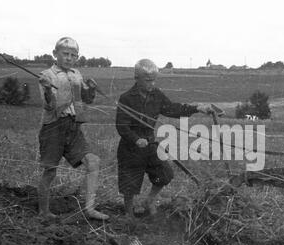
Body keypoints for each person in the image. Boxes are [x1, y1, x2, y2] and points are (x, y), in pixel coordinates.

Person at [116, 59, 213, 220]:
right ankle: (129, 213)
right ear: (137, 78)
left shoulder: (157, 95)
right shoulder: (126, 98)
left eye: (154, 80)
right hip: (130, 148)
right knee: (130, 184)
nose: (152, 84)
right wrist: (135, 139)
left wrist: (196, 108)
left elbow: (173, 109)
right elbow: (122, 126)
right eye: (148, 80)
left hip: (150, 144)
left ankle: (150, 201)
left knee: (165, 173)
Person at [37, 37, 109, 220]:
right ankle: (43, 212)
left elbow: (86, 100)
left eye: (73, 55)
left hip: (73, 127)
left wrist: (90, 89)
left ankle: (89, 209)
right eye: (65, 54)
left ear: (77, 57)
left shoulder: (77, 74)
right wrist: (46, 89)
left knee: (93, 162)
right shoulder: (47, 76)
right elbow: (50, 107)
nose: (69, 58)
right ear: (55, 54)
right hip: (53, 127)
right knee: (50, 171)